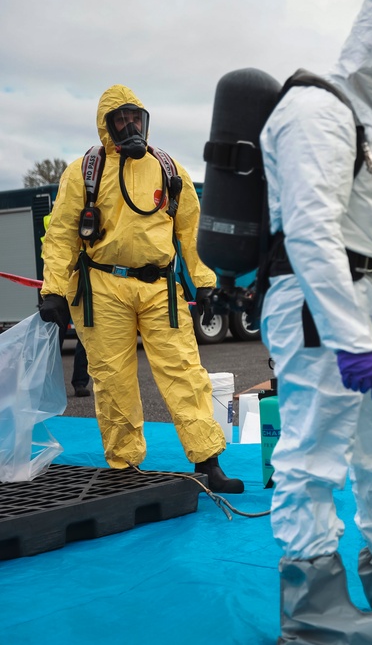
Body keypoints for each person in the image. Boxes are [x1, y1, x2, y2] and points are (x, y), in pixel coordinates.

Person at [258, 0, 372, 643]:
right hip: (317, 306)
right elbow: (310, 231)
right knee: (313, 449)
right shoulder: (314, 110)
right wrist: (347, 335)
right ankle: (313, 604)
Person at [38, 84, 243, 494]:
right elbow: (61, 235)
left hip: (159, 290)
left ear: (145, 121)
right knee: (113, 380)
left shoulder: (168, 170)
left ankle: (208, 461)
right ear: (106, 125)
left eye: (136, 117)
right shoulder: (84, 172)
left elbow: (191, 233)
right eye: (121, 118)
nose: (130, 125)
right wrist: (54, 289)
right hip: (103, 286)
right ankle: (125, 468)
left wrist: (204, 284)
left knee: (185, 372)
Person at [42, 211, 92, 397]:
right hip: (62, 286)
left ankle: (80, 383)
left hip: (84, 284)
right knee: (54, 339)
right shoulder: (58, 216)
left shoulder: (87, 212)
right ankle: (47, 385)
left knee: (84, 337)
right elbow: (54, 250)